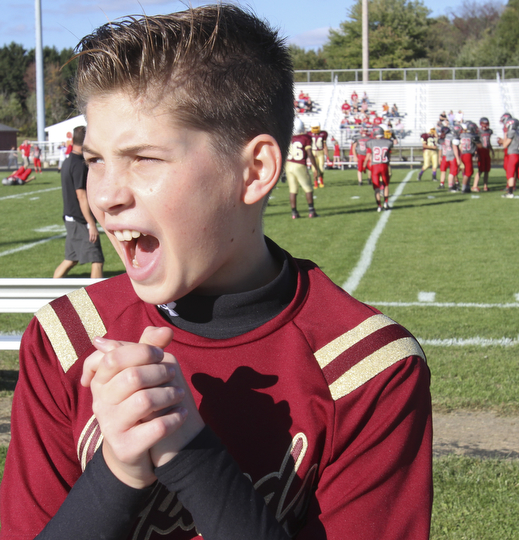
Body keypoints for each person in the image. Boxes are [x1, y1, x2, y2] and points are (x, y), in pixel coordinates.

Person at [1, 6, 432, 540]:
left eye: (143, 159)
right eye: (96, 159)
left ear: (253, 172)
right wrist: (116, 471)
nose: (108, 195)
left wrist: (189, 453)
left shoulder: (368, 370)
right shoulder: (66, 338)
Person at [52, 125, 104, 279]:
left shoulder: (68, 161)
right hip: (79, 220)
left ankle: (51, 291)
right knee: (97, 260)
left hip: (70, 218)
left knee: (71, 259)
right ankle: (97, 301)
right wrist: (91, 224)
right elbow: (81, 196)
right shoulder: (79, 165)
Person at [286, 118, 319, 218]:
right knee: (308, 188)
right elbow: (309, 153)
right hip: (299, 165)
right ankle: (311, 211)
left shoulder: (288, 137)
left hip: (288, 165)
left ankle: (294, 213)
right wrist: (315, 167)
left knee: (293, 190)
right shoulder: (305, 137)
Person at [366, 126, 393, 211]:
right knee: (386, 185)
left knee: (377, 188)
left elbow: (370, 152)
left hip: (375, 166)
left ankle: (379, 206)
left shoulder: (370, 142)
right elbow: (389, 155)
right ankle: (386, 203)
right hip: (384, 165)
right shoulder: (388, 142)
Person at [498, 117, 519, 198]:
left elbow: (505, 145)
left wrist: (504, 137)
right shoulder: (517, 132)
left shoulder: (511, 132)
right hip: (518, 154)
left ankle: (510, 192)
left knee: (510, 173)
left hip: (512, 155)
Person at [472, 117, 494, 192]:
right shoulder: (478, 131)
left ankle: (485, 186)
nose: (485, 126)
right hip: (480, 151)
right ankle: (475, 185)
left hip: (487, 151)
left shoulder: (489, 131)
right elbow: (476, 143)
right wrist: (476, 153)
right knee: (480, 170)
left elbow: (488, 141)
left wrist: (491, 149)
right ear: (481, 124)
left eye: (486, 124)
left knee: (487, 170)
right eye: (484, 124)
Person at [459, 122, 481, 194]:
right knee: (468, 173)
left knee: (469, 171)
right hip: (467, 154)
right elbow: (479, 146)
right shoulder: (472, 135)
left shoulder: (462, 135)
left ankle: (467, 187)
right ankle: (464, 188)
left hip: (463, 154)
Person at [438, 125, 460, 191]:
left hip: (445, 155)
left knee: (447, 171)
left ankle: (453, 183)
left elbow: (440, 148)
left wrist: (439, 156)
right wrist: (458, 157)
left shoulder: (442, 138)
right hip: (451, 156)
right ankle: (452, 185)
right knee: (453, 172)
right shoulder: (452, 137)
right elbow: (455, 147)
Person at [307, 123, 328, 188]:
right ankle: (315, 182)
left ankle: (321, 180)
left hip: (320, 151)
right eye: (314, 128)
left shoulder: (323, 133)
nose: (315, 129)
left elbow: (324, 144)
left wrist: (326, 154)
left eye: (316, 127)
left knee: (321, 168)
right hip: (313, 152)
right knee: (314, 169)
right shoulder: (309, 134)